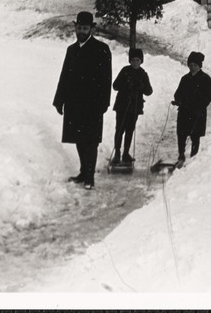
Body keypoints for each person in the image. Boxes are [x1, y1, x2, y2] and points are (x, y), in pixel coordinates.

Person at [53, 11, 112, 190]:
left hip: (93, 104)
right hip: (74, 103)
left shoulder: (101, 49)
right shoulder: (71, 50)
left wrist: (104, 102)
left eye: (85, 28)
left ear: (91, 29)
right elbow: (64, 76)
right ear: (75, 28)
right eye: (79, 28)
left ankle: (89, 177)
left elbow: (106, 78)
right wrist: (59, 100)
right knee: (79, 138)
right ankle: (83, 172)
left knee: (91, 141)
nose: (81, 31)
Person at [111, 47, 153, 166]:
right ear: (129, 61)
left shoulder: (143, 74)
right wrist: (126, 85)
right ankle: (117, 153)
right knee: (119, 129)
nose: (135, 62)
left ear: (141, 61)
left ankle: (126, 153)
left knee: (130, 130)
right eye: (133, 60)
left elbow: (149, 91)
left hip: (134, 106)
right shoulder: (125, 70)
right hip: (122, 105)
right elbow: (115, 85)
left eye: (138, 60)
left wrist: (142, 86)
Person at [171, 50, 211, 168]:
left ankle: (193, 156)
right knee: (181, 134)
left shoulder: (206, 79)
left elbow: (208, 96)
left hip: (197, 112)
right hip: (184, 111)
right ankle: (181, 155)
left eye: (195, 65)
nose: (192, 67)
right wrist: (178, 100)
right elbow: (178, 93)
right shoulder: (185, 79)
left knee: (195, 135)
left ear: (199, 65)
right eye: (190, 65)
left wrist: (200, 107)